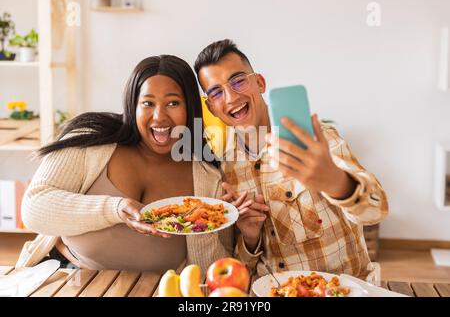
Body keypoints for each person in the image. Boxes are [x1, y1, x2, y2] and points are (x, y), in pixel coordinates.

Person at [194, 39, 388, 279]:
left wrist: (336, 181)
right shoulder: (226, 167)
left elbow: (376, 210)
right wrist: (250, 239)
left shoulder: (316, 140)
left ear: (259, 83)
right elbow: (242, 270)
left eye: (238, 81)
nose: (231, 97)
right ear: (211, 107)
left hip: (341, 290)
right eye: (216, 92)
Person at [20, 55, 233, 273]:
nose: (159, 117)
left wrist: (203, 223)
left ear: (190, 108)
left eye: (173, 103)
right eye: (148, 103)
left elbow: (216, 271)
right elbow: (33, 208)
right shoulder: (91, 139)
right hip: (67, 276)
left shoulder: (208, 178)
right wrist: (115, 208)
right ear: (133, 105)